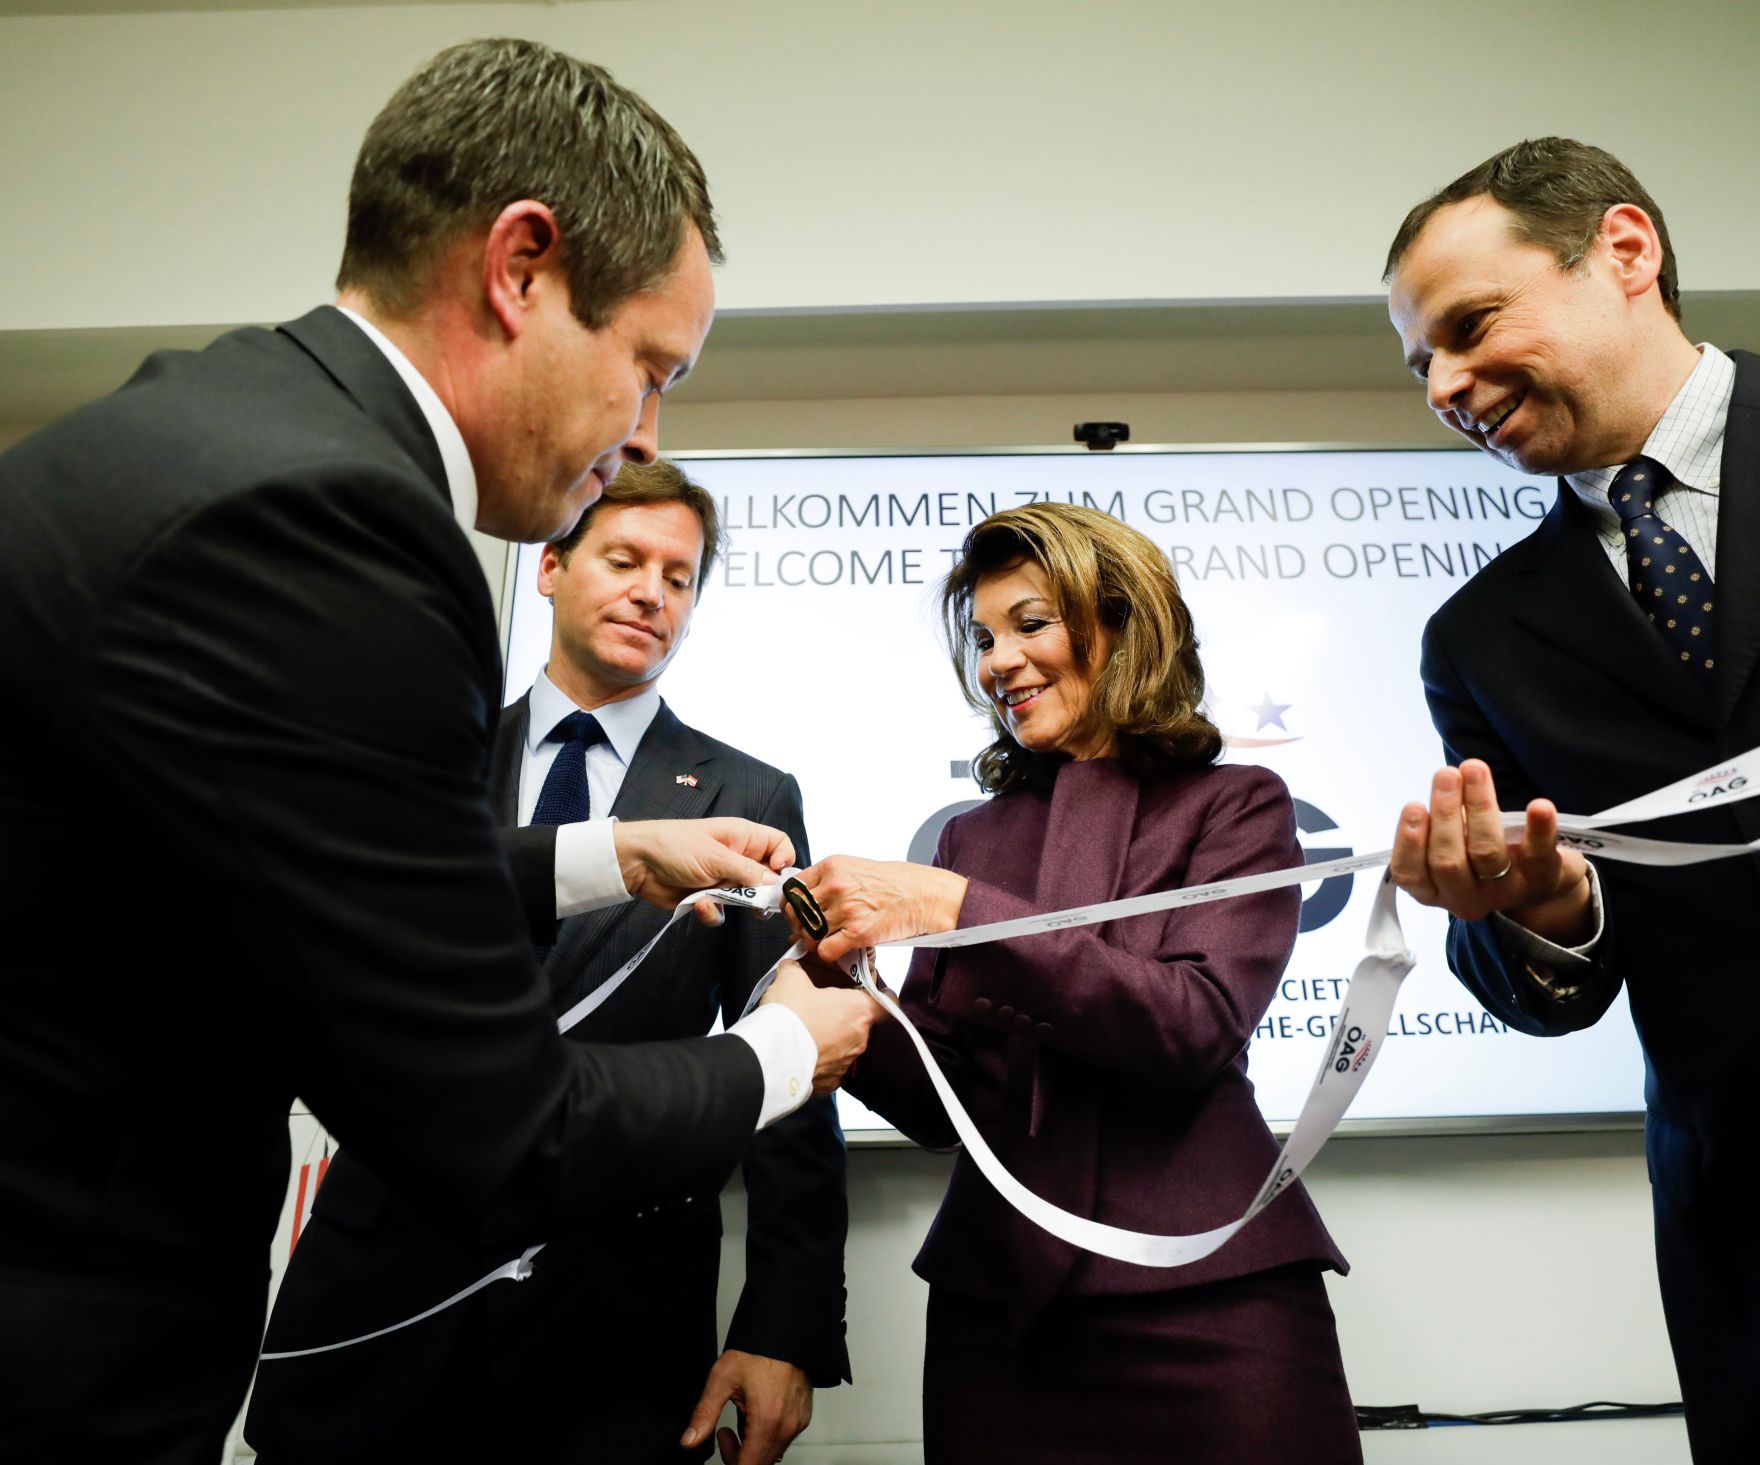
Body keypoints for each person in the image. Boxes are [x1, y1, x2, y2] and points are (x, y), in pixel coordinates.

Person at [0, 39, 878, 1465]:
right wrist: (789, 1045)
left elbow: (271, 854)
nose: (645, 432)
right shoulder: (338, 527)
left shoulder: (227, 423)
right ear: (520, 267)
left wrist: (602, 856)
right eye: (649, 367)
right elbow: (508, 1133)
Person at [250, 461, 850, 1465]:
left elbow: (794, 1057)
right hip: (381, 1282)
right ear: (551, 568)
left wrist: (780, 1322)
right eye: (622, 559)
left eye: (678, 575)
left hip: (617, 1307)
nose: (651, 590)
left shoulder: (745, 794)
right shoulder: (422, 761)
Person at [790, 503, 1360, 1464]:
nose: (995, 662)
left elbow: (1192, 1024)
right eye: (981, 636)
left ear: (1124, 621)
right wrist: (833, 973)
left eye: (1029, 623)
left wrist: (959, 908)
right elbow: (948, 1107)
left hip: (1211, 1292)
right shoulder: (973, 835)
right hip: (997, 1312)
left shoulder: (1238, 805)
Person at [1382, 136, 1760, 1463]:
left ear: (1624, 251)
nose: (1442, 384)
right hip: (1744, 1223)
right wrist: (1541, 907)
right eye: (1419, 360)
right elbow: (1547, 976)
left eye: (1468, 327)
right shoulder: (1479, 639)